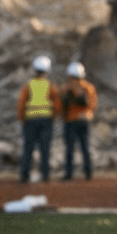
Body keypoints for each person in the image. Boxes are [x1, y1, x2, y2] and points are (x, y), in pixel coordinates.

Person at [16, 55, 60, 183]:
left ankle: (25, 175)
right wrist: (53, 116)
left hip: (30, 121)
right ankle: (45, 175)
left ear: (35, 69)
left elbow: (21, 103)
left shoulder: (28, 85)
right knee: (45, 149)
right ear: (47, 70)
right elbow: (57, 104)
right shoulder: (50, 86)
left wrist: (22, 118)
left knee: (28, 149)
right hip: (46, 121)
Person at [60, 61, 97, 181]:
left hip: (71, 121)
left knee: (70, 148)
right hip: (84, 120)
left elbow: (61, 105)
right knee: (85, 146)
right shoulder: (89, 88)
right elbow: (93, 105)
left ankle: (69, 173)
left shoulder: (66, 88)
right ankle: (88, 172)